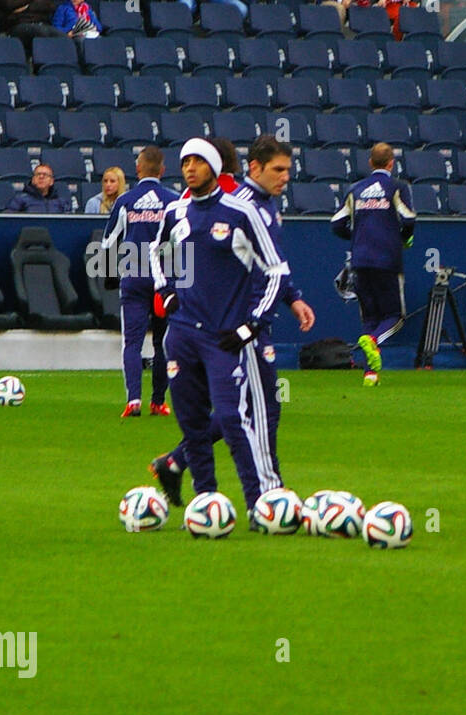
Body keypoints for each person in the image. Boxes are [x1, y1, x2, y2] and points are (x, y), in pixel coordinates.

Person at [149, 136, 316, 508]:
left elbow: (273, 266)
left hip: (239, 326)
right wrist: (168, 292)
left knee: (249, 410)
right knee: (245, 411)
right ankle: (244, 495)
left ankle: (243, 490)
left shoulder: (257, 208)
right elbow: (157, 253)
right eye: (279, 169)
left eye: (289, 170)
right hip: (218, 328)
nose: (286, 177)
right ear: (253, 168)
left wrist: (286, 300)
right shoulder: (221, 208)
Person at [331, 141, 416, 386]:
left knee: (370, 318)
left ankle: (370, 374)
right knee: (395, 316)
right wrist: (402, 238)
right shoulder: (397, 187)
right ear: (391, 163)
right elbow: (409, 219)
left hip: (360, 261)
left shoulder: (355, 189)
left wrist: (357, 237)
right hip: (387, 259)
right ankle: (374, 341)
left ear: (370, 163)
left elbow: (336, 224)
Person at [101, 147, 176, 419]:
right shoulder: (174, 201)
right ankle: (158, 402)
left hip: (133, 277)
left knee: (132, 342)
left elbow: (108, 242)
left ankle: (133, 401)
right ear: (162, 170)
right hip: (164, 282)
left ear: (138, 169)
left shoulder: (125, 201)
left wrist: (109, 275)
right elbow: (184, 241)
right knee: (162, 342)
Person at [0, 0, 64, 51]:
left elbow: (50, 6)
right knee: (41, 32)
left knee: (64, 39)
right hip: (16, 24)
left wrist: (27, 7)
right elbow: (9, 5)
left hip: (42, 23)